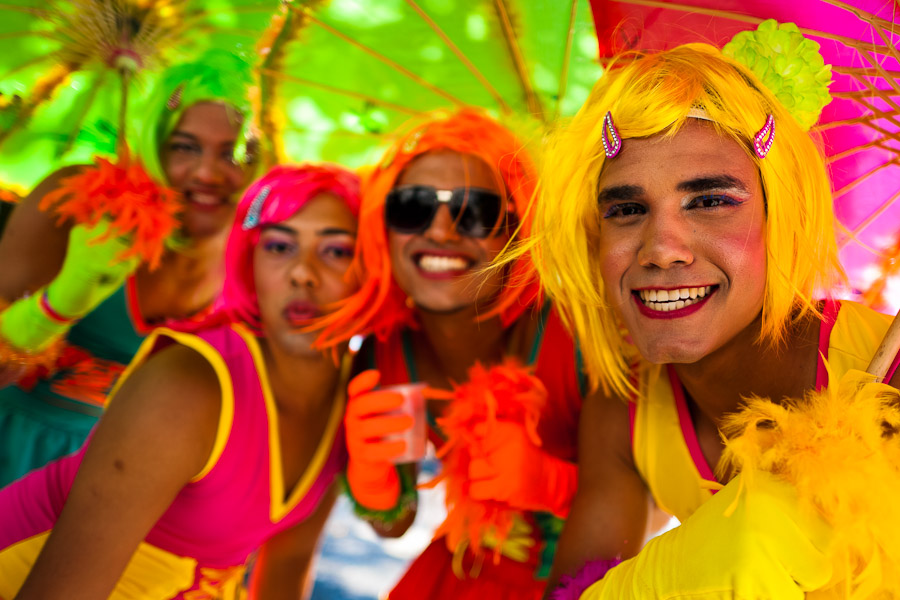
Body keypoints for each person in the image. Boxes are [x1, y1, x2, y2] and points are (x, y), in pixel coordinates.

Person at [511, 23, 900, 598]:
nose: (662, 248)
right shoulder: (624, 413)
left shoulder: (884, 375)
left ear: (780, 217)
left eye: (711, 201)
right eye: (626, 210)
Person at [0, 163, 361, 600]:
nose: (302, 272)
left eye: (336, 251)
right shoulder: (188, 387)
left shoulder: (351, 391)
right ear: (249, 263)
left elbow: (286, 566)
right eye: (280, 246)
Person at [315, 108, 584, 599]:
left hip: (590, 571)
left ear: (517, 229)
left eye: (474, 211)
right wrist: (373, 485)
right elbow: (394, 525)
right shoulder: (388, 349)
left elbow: (651, 507)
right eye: (413, 208)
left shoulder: (577, 335)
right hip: (467, 563)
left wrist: (553, 484)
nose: (440, 231)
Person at [0, 51, 258, 486]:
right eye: (185, 147)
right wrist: (63, 298)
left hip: (132, 490)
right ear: (155, 142)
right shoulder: (73, 202)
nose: (208, 172)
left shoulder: (266, 256)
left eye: (233, 153)